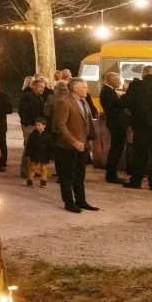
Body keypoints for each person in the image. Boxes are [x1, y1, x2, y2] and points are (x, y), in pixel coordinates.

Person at [52, 78, 99, 213]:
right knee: (67, 175)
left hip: (83, 144)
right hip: (69, 146)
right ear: (74, 89)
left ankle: (81, 200)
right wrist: (73, 141)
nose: (87, 89)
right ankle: (69, 202)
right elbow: (60, 124)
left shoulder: (83, 101)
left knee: (80, 174)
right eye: (84, 87)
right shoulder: (64, 102)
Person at [120, 65, 152, 190]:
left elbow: (126, 103)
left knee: (140, 154)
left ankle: (136, 181)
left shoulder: (136, 85)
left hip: (141, 125)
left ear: (143, 73)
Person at [100, 72, 130, 184]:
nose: (120, 82)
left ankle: (111, 174)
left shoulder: (110, 91)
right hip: (117, 125)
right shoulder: (108, 92)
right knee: (116, 150)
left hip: (117, 124)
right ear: (111, 80)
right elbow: (122, 104)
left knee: (116, 149)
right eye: (118, 80)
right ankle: (111, 176)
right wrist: (127, 92)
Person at [18, 76, 49, 178]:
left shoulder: (39, 96)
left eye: (43, 87)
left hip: (36, 124)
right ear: (34, 87)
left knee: (33, 147)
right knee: (28, 146)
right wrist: (27, 122)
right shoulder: (27, 96)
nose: (43, 89)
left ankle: (32, 169)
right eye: (41, 87)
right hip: (29, 125)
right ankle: (25, 171)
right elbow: (22, 110)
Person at [23, 116, 52, 188]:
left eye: (39, 125)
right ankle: (30, 181)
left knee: (43, 168)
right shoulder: (32, 135)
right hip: (35, 154)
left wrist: (51, 154)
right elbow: (29, 145)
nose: (37, 127)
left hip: (44, 154)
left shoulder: (48, 135)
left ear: (44, 126)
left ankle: (43, 182)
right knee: (32, 168)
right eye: (36, 125)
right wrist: (28, 153)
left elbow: (50, 145)